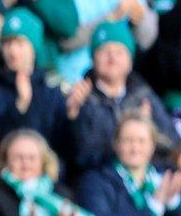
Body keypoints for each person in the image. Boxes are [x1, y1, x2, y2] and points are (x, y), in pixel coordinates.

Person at [76, 113, 181, 216]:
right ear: (116, 144)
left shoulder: (165, 180)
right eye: (128, 140)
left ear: (153, 145)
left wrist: (173, 204)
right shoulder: (96, 181)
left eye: (141, 141)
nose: (135, 148)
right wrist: (153, 208)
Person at [67, 20, 179, 172]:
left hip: (146, 176)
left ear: (130, 61)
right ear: (93, 59)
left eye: (119, 52)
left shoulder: (142, 94)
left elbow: (172, 143)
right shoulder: (80, 97)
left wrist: (148, 130)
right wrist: (73, 117)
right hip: (100, 179)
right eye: (105, 51)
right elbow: (83, 154)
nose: (112, 58)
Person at [0, 7, 70, 157]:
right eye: (7, 43)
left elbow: (63, 143)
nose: (13, 51)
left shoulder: (50, 87)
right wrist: (19, 107)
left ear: (34, 48)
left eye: (20, 43)